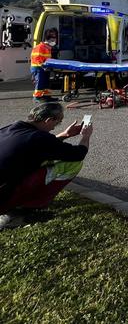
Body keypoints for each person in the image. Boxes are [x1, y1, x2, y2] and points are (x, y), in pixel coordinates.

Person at [0, 102, 92, 230]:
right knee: (72, 164)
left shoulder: (11, 128)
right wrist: (86, 136)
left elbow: (41, 145)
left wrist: (65, 135)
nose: (55, 127)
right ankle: (30, 206)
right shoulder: (40, 138)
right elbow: (78, 154)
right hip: (4, 197)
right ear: (48, 120)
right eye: (57, 122)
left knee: (43, 160)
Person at [30, 29, 58, 101]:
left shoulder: (48, 48)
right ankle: (37, 97)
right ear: (47, 39)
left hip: (44, 67)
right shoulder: (40, 47)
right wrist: (42, 65)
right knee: (40, 82)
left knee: (46, 83)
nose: (54, 41)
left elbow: (47, 59)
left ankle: (46, 96)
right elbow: (37, 58)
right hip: (38, 67)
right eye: (53, 40)